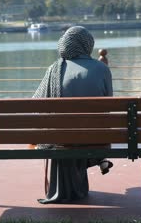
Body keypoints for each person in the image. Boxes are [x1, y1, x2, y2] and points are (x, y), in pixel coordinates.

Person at [33, 26, 113, 204]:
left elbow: (36, 106)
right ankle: (101, 160)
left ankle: (65, 187)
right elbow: (108, 108)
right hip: (97, 139)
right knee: (89, 128)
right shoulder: (102, 69)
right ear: (87, 44)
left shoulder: (54, 69)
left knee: (63, 132)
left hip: (60, 139)